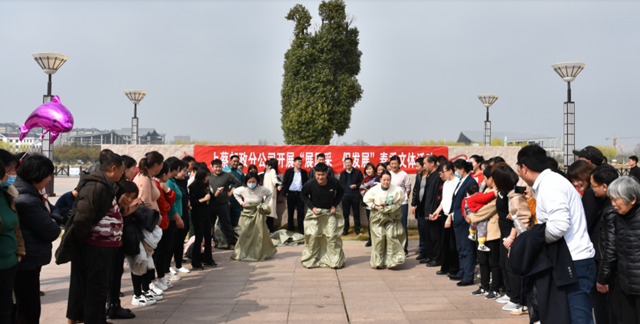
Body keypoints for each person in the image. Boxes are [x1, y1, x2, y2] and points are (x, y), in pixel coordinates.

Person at [517, 145, 596, 323]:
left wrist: (532, 243)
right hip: (569, 261)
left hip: (574, 262)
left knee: (578, 318)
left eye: (518, 169)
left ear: (524, 168)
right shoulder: (549, 183)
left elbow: (559, 226)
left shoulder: (550, 185)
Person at [58, 151, 124, 324]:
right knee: (96, 288)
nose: (123, 174)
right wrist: (80, 242)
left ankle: (99, 319)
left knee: (100, 287)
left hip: (104, 246)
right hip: (96, 246)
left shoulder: (106, 184)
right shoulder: (96, 186)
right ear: (114, 168)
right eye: (122, 170)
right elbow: (82, 218)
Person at [12, 154, 61, 324]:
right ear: (37, 175)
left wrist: (52, 216)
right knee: (28, 308)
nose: (49, 179)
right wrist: (53, 219)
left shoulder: (30, 193)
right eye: (48, 174)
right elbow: (52, 231)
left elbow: (53, 209)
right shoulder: (26, 199)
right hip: (27, 260)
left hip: (29, 258)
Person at [493, 163, 532, 315]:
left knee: (512, 267)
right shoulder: (506, 193)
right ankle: (510, 293)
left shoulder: (515, 195)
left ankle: (517, 299)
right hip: (504, 232)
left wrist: (512, 236)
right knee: (504, 265)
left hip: (512, 235)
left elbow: (520, 218)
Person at [107, 154, 137, 320]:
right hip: (110, 242)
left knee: (116, 272)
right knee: (112, 273)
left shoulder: (117, 187)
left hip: (117, 240)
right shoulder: (114, 189)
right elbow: (119, 214)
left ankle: (114, 304)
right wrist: (134, 206)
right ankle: (112, 306)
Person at [606, 176, 640, 323]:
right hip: (625, 284)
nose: (613, 204)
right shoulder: (618, 217)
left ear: (632, 199)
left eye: (616, 200)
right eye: (611, 200)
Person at [300, 163, 345, 268]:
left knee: (331, 236)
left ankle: (334, 260)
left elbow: (341, 192)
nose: (320, 177)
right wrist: (312, 207)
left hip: (330, 212)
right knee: (313, 235)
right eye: (318, 174)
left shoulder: (333, 182)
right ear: (315, 173)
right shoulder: (310, 183)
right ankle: (312, 259)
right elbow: (303, 195)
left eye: (323, 174)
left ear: (327, 173)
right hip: (315, 212)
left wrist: (334, 204)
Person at [590, 165, 620, 324]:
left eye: (593, 186)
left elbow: (610, 247)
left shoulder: (610, 209)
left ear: (605, 186)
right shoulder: (616, 205)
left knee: (605, 305)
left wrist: (602, 276)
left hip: (613, 272)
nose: (592, 189)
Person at [467, 167, 502, 300]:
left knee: (493, 262)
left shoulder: (496, 193)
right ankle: (484, 286)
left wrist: (472, 217)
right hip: (481, 233)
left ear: (491, 178)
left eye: (485, 179)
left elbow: (488, 209)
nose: (484, 181)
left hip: (492, 231)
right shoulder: (487, 190)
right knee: (482, 261)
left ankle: (495, 288)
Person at [363, 170, 406, 269]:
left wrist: (393, 207)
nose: (386, 182)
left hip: (391, 216)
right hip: (378, 216)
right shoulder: (375, 189)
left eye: (388, 180)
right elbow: (366, 199)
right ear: (380, 180)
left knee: (391, 236)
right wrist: (376, 207)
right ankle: (378, 261)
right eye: (384, 180)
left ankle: (392, 261)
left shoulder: (396, 189)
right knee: (380, 237)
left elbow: (400, 200)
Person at [0, 153, 25, 324]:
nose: (11, 175)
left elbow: (16, 227)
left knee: (5, 310)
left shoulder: (7, 194)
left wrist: (19, 252)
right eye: (8, 171)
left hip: (9, 264)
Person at [231, 172, 277, 261]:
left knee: (258, 233)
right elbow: (235, 192)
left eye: (253, 182)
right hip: (246, 213)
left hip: (258, 213)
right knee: (246, 233)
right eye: (249, 182)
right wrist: (241, 202)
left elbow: (270, 193)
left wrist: (264, 203)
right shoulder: (242, 189)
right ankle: (245, 252)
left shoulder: (262, 189)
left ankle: (258, 252)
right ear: (246, 181)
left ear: (257, 181)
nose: (251, 184)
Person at [450, 159, 478, 286]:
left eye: (456, 170)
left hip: (465, 220)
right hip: (458, 219)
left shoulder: (470, 182)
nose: (456, 172)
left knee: (467, 249)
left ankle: (468, 276)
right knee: (460, 248)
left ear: (462, 169)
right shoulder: (462, 181)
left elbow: (471, 201)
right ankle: (462, 271)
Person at [430, 162, 459, 278]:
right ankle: (445, 267)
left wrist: (450, 217)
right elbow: (444, 200)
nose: (443, 174)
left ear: (451, 171)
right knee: (445, 244)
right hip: (445, 215)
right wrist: (437, 211)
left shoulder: (457, 182)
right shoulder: (446, 183)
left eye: (444, 172)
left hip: (452, 217)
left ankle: (454, 269)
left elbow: (455, 202)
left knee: (453, 245)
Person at [151, 163, 177, 290]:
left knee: (164, 250)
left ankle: (160, 276)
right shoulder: (155, 184)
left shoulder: (160, 184)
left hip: (163, 221)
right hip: (161, 221)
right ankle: (159, 277)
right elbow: (165, 206)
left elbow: (169, 202)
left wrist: (168, 192)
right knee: (160, 252)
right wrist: (168, 193)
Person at [209, 159, 242, 248]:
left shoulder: (227, 176)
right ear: (212, 167)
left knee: (226, 224)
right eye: (216, 167)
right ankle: (210, 242)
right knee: (210, 224)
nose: (218, 169)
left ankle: (230, 243)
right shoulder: (208, 176)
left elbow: (237, 182)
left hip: (223, 204)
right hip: (210, 204)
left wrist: (231, 192)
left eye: (220, 167)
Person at [164, 158, 186, 282]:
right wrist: (177, 217)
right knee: (168, 248)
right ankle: (165, 272)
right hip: (172, 218)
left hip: (177, 217)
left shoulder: (172, 181)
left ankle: (167, 271)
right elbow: (170, 203)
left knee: (173, 245)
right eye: (179, 169)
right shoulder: (168, 183)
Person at [421, 155, 444, 267]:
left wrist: (434, 211)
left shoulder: (438, 177)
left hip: (434, 211)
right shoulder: (429, 176)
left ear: (432, 163)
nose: (424, 166)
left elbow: (438, 196)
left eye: (425, 163)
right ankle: (430, 256)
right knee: (427, 235)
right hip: (427, 210)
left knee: (435, 236)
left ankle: (437, 258)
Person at [188, 167, 213, 270]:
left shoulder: (206, 185)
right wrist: (203, 199)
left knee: (208, 236)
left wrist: (214, 194)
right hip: (198, 214)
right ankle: (196, 262)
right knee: (199, 238)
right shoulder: (193, 186)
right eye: (206, 176)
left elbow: (210, 197)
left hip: (206, 213)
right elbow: (193, 202)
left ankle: (208, 259)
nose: (207, 178)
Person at [170, 159, 191, 275]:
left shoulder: (183, 182)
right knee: (173, 243)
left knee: (180, 241)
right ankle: (168, 267)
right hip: (176, 217)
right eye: (182, 171)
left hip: (184, 214)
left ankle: (178, 264)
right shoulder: (170, 183)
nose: (185, 173)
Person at [463, 183, 496, 252]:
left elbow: (463, 210)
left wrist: (465, 217)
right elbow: (485, 198)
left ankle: (471, 234)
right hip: (478, 216)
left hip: (470, 215)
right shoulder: (477, 196)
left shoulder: (465, 200)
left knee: (473, 225)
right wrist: (494, 193)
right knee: (482, 229)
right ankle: (481, 244)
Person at [389, 155, 411, 256]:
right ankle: (394, 247)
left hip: (402, 203)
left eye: (395, 163)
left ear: (399, 164)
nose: (394, 165)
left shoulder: (404, 174)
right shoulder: (388, 174)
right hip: (391, 204)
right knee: (392, 226)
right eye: (392, 163)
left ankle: (404, 248)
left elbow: (408, 188)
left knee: (402, 225)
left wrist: (403, 198)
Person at [282, 157, 308, 234]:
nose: (300, 163)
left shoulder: (303, 172)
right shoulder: (288, 171)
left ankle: (301, 229)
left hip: (300, 195)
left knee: (301, 212)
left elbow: (306, 183)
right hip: (291, 194)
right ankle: (290, 229)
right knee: (290, 212)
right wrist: (286, 192)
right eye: (298, 162)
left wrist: (306, 193)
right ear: (294, 163)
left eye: (301, 162)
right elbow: (285, 182)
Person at [339, 157, 364, 236]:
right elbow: (340, 184)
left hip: (354, 196)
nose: (348, 164)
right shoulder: (342, 173)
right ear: (344, 164)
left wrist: (355, 185)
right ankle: (346, 229)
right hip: (345, 196)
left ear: (352, 163)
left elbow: (362, 182)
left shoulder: (357, 172)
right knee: (345, 214)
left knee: (356, 214)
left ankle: (357, 230)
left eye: (349, 162)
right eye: (346, 163)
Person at [411, 157, 429, 260]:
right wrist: (414, 204)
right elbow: (415, 190)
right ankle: (423, 251)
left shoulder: (431, 177)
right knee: (421, 230)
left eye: (418, 166)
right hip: (420, 208)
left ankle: (428, 252)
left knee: (427, 231)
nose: (416, 168)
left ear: (424, 166)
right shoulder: (418, 176)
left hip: (428, 208)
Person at [359, 162, 378, 247]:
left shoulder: (378, 178)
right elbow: (361, 190)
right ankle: (370, 239)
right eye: (367, 169)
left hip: (377, 204)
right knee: (370, 222)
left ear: (374, 169)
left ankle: (377, 239)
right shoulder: (365, 179)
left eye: (370, 169)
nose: (368, 171)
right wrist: (366, 193)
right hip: (369, 205)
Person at [223, 155, 245, 227]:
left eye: (237, 161)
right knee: (224, 219)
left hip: (237, 199)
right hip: (226, 199)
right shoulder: (224, 170)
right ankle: (221, 237)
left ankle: (233, 236)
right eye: (234, 161)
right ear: (230, 161)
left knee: (235, 219)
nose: (236, 163)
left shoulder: (240, 172)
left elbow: (243, 183)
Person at [263, 159, 282, 233]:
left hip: (268, 197)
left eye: (266, 165)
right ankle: (269, 230)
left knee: (269, 215)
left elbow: (274, 180)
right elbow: (274, 180)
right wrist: (277, 185)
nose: (265, 166)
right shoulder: (270, 171)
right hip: (268, 197)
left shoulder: (270, 172)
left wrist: (277, 185)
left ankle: (269, 230)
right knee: (269, 215)